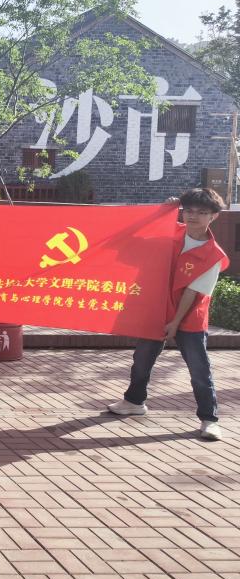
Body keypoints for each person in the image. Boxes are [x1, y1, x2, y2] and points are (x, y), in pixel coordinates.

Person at [108, 189, 230, 441]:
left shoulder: (213, 254)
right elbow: (130, 237)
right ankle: (134, 401)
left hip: (190, 317)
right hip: (157, 309)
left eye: (201, 212)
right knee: (142, 359)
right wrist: (161, 212)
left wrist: (175, 322)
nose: (193, 216)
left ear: (214, 216)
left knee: (199, 369)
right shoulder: (169, 232)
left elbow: (192, 292)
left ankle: (209, 419)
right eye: (189, 210)